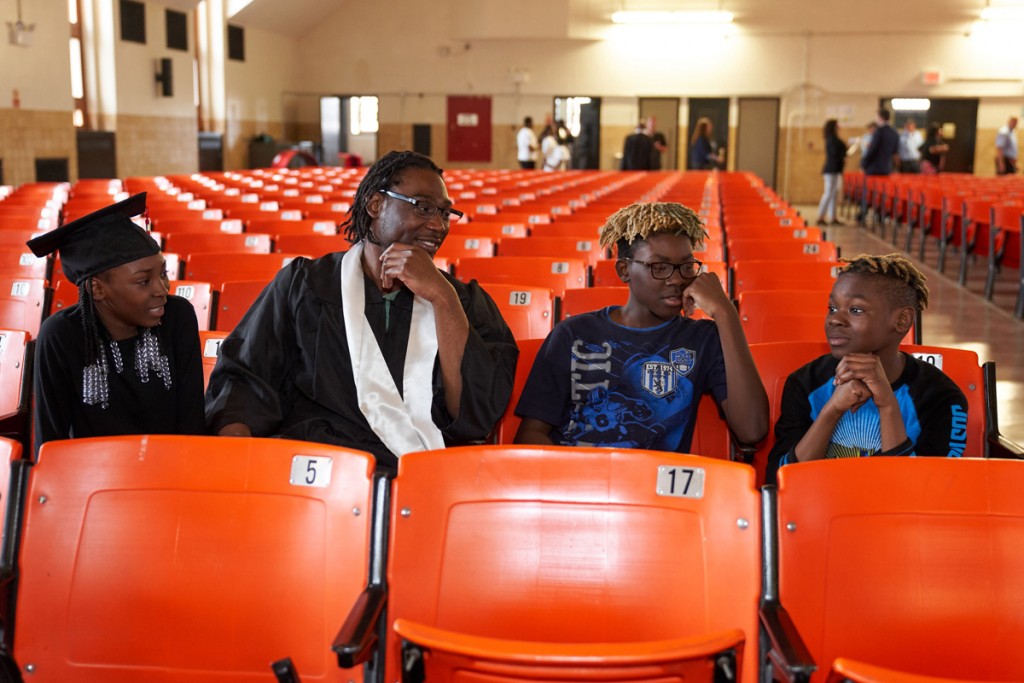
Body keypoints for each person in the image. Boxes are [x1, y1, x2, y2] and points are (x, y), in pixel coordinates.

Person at [205, 151, 518, 471]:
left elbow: (475, 416)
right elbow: (245, 376)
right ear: (375, 204)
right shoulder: (306, 285)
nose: (438, 225)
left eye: (445, 213)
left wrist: (441, 298)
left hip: (419, 472)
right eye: (423, 207)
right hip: (313, 467)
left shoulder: (463, 302)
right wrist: (236, 458)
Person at [513, 202, 769, 451]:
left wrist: (726, 313)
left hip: (654, 487)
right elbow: (530, 434)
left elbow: (752, 430)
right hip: (581, 485)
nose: (677, 279)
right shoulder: (573, 333)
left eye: (686, 266)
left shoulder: (703, 339)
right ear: (624, 270)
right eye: (660, 267)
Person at [27, 192, 206, 455]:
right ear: (98, 290)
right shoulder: (62, 335)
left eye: (163, 274)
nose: (162, 289)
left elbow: (192, 423)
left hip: (170, 470)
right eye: (143, 281)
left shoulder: (177, 317)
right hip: (95, 481)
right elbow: (50, 441)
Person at [765, 254, 969, 484]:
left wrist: (887, 404)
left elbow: (931, 494)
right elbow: (779, 483)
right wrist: (832, 411)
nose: (835, 320)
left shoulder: (940, 397)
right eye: (832, 308)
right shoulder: (805, 383)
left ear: (902, 320)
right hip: (821, 515)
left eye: (856, 310)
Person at [816, 119, 847, 226]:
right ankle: (820, 216)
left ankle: (832, 216)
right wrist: (843, 154)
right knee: (829, 192)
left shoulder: (833, 138)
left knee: (834, 193)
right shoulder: (831, 139)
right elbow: (836, 153)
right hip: (831, 170)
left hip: (836, 169)